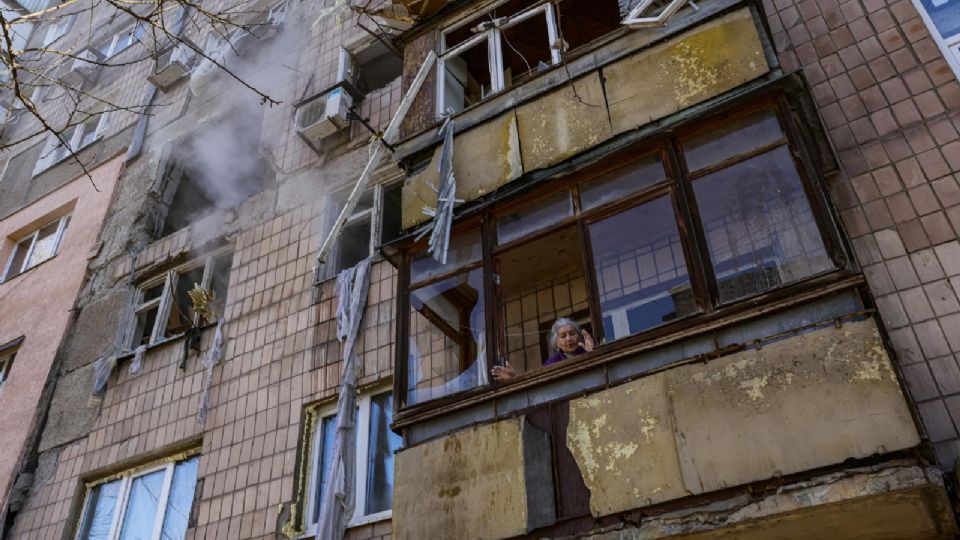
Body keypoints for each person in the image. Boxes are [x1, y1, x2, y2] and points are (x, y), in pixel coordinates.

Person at [491, 317, 595, 382]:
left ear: (579, 336)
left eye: (572, 334)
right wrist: (514, 378)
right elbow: (537, 385)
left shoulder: (589, 352)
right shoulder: (552, 363)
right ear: (557, 343)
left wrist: (591, 355)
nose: (569, 338)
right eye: (563, 336)